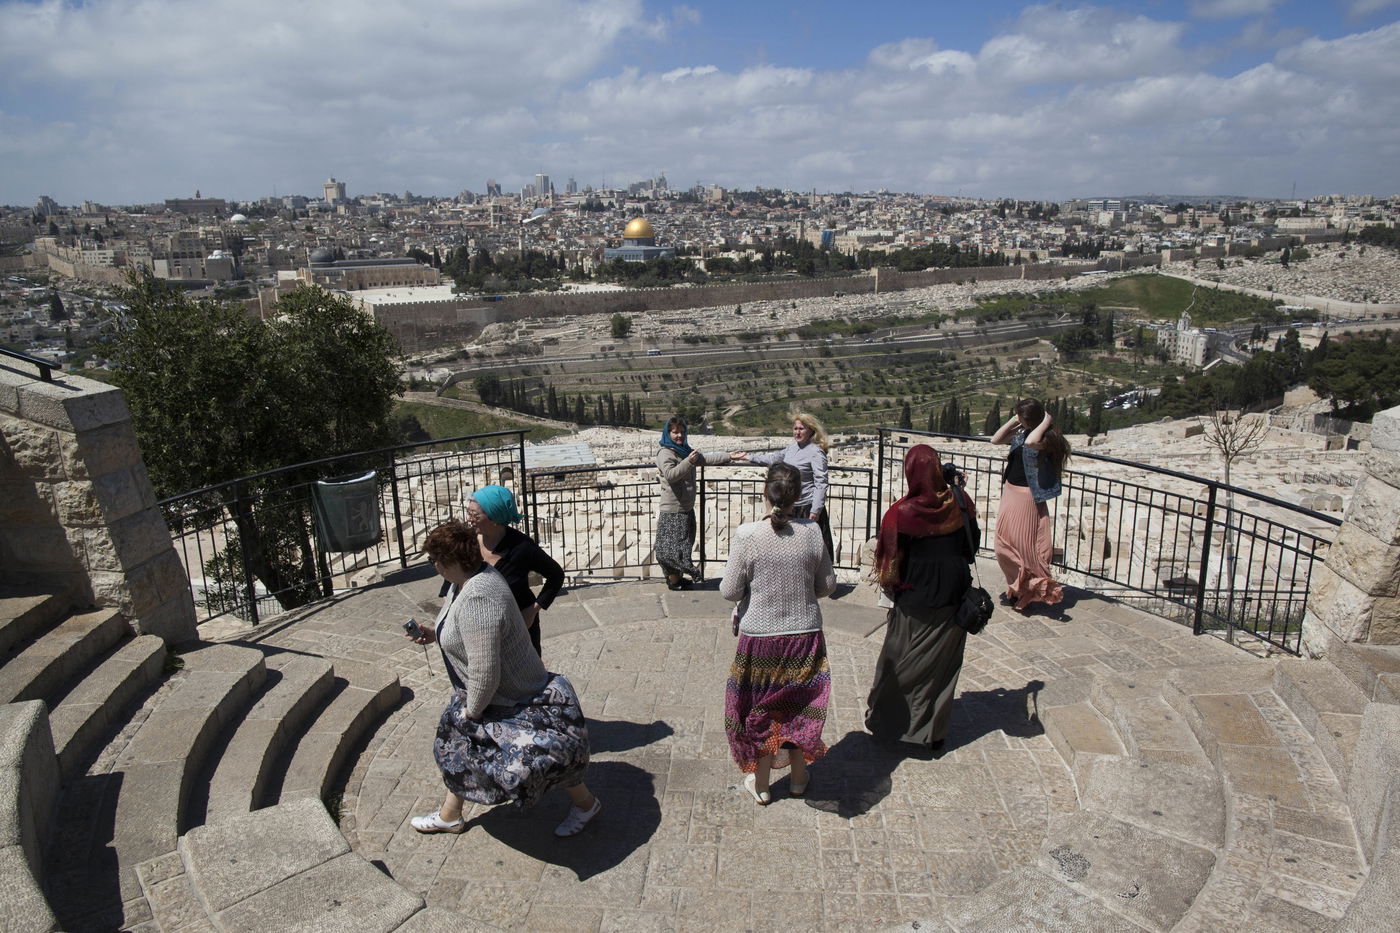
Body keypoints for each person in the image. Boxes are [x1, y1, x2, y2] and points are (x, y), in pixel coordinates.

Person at [407, 520, 601, 837]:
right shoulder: (465, 581)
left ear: (449, 561)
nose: (434, 566)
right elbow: (461, 630)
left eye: (434, 560)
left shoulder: (479, 597)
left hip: (511, 697)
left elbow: (485, 668)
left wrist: (472, 712)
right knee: (461, 748)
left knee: (541, 759)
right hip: (495, 694)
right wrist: (434, 634)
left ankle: (585, 804)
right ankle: (450, 814)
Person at [720, 461, 836, 804]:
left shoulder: (748, 535)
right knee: (798, 707)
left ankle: (762, 785)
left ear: (765, 492)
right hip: (805, 637)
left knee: (760, 710)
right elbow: (827, 585)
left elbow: (729, 590)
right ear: (798, 495)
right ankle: (798, 778)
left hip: (760, 640)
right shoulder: (811, 532)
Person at [865, 445, 975, 751]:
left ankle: (888, 722)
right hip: (954, 595)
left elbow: (889, 566)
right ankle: (932, 733)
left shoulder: (901, 513)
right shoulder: (960, 502)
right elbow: (972, 547)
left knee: (899, 661)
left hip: (914, 597)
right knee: (942, 668)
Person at [462, 485, 564, 657]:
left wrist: (532, 611)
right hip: (478, 630)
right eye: (468, 512)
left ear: (494, 518)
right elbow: (451, 584)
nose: (469, 519)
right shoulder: (467, 543)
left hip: (518, 626)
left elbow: (556, 575)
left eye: (475, 515)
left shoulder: (522, 547)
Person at [989, 399, 1070, 612]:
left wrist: (1046, 422)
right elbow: (995, 440)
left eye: (1021, 417)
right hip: (1010, 492)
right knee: (1003, 544)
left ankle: (1025, 590)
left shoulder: (1046, 438)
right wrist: (1014, 419)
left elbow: (1031, 443)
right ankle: (1019, 586)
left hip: (1026, 497)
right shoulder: (1022, 433)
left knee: (1023, 547)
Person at [654, 415, 747, 590]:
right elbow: (670, 475)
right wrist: (689, 461)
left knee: (682, 546)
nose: (679, 436)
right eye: (675, 432)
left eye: (682, 432)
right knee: (669, 550)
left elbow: (704, 459)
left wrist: (729, 456)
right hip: (673, 508)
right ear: (668, 433)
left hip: (685, 507)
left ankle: (677, 579)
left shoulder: (683, 450)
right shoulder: (665, 452)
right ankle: (674, 580)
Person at [747, 411, 834, 561]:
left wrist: (816, 509)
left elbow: (821, 482)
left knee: (811, 551)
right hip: (790, 506)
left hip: (807, 508)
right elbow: (773, 458)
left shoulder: (816, 452)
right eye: (795, 428)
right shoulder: (792, 448)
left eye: (801, 429)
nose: (797, 432)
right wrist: (748, 457)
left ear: (811, 430)